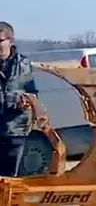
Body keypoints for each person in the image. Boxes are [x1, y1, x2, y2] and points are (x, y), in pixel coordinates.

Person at [0, 22, 38, 177]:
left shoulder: (24, 65)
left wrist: (26, 102)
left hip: (14, 133)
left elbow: (33, 93)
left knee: (11, 182)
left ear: (11, 41)